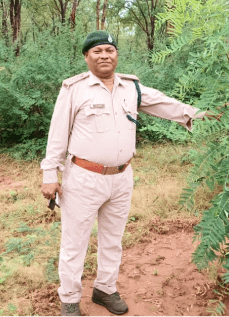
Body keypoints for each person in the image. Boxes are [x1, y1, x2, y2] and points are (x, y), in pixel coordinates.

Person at [40, 31, 210, 316]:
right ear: (86, 57)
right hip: (83, 177)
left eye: (110, 50)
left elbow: (165, 104)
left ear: (116, 54)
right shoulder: (74, 89)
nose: (104, 55)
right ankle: (69, 299)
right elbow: (57, 134)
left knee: (113, 238)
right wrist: (49, 174)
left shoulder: (132, 88)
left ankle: (105, 289)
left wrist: (200, 114)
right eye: (97, 51)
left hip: (121, 178)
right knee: (74, 242)